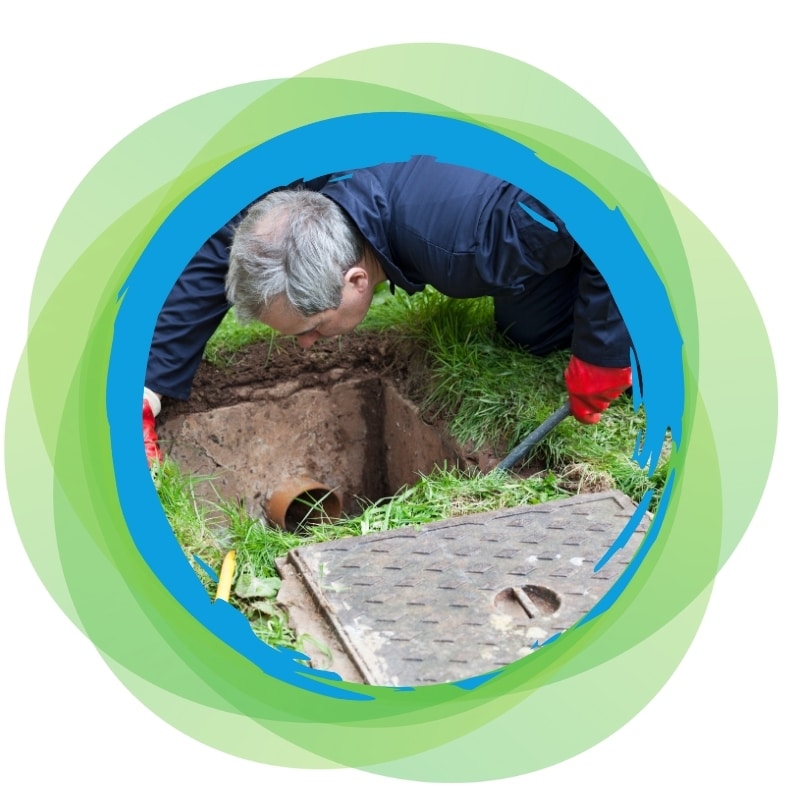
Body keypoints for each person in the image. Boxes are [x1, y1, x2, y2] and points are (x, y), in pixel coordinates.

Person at [143, 156, 632, 463]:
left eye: (310, 328)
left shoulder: (476, 245)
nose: (308, 345)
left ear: (355, 282)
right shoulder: (309, 181)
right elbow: (231, 239)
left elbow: (604, 210)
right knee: (529, 334)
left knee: (578, 326)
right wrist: (150, 388)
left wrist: (601, 353)